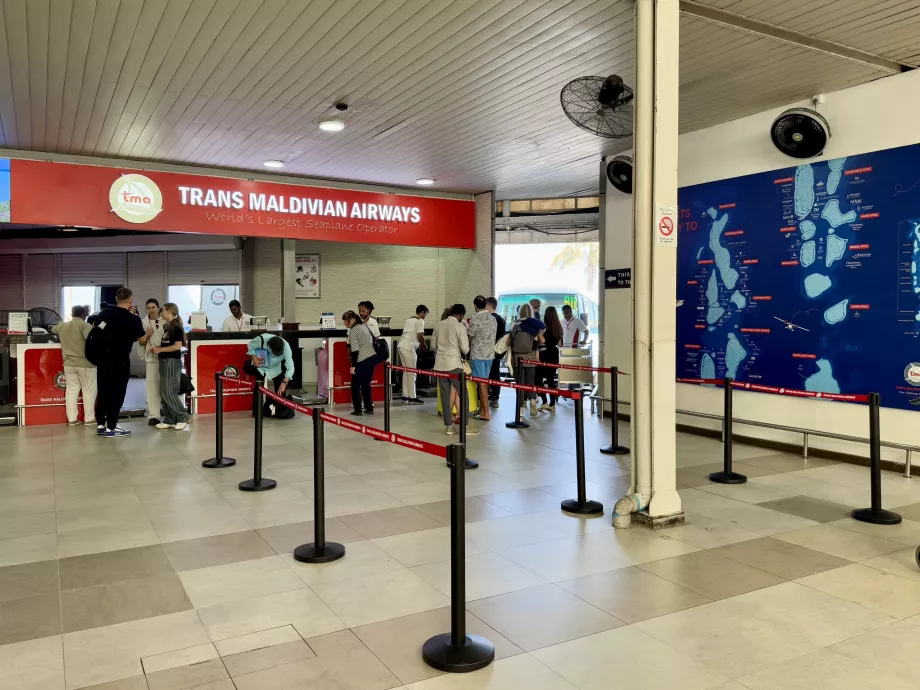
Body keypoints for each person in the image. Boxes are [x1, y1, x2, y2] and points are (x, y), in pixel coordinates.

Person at [95, 288, 153, 438]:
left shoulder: (104, 313)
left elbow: (95, 329)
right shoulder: (133, 319)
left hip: (103, 358)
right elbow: (142, 341)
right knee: (117, 393)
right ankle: (111, 427)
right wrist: (149, 334)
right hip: (120, 359)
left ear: (116, 299)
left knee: (103, 391)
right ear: (131, 300)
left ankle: (101, 424)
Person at [432, 304, 478, 436]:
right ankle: (466, 425)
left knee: (445, 395)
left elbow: (433, 346)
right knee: (463, 393)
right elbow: (465, 349)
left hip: (440, 364)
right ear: (461, 315)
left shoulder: (438, 325)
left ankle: (449, 426)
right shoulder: (459, 326)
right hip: (454, 365)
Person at [52, 306, 96, 426]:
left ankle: (72, 419)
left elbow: (52, 330)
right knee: (88, 391)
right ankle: (89, 419)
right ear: (83, 314)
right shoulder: (85, 325)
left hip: (68, 364)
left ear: (71, 314)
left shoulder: (62, 325)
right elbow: (92, 340)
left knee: (71, 391)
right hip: (85, 364)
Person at [150, 303, 191, 431]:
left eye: (162, 310)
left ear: (169, 311)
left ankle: (182, 416)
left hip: (171, 362)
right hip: (164, 361)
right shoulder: (168, 327)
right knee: (163, 391)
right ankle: (170, 419)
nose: (160, 313)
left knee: (169, 391)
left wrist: (160, 349)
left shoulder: (176, 328)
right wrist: (158, 350)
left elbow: (177, 346)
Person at [247, 333, 295, 417]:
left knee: (281, 388)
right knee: (258, 388)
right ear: (269, 346)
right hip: (260, 366)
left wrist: (284, 383)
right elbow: (250, 346)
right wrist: (254, 358)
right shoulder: (261, 339)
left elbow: (290, 366)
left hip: (275, 368)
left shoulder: (286, 347)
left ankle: (280, 410)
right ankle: (257, 411)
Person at [510, 304, 545, 417]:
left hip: (517, 358)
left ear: (519, 313)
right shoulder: (534, 326)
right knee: (530, 381)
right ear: (531, 313)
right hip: (531, 357)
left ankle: (520, 410)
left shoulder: (514, 325)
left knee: (520, 384)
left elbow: (509, 342)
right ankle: (533, 402)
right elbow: (542, 341)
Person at [467, 295, 497, 421]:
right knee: (484, 382)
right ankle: (481, 410)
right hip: (490, 355)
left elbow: (469, 337)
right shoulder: (492, 318)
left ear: (475, 305)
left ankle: (486, 412)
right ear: (485, 305)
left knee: (482, 384)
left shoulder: (475, 318)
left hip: (477, 355)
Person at [137, 298, 164, 425]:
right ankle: (154, 414)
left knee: (166, 385)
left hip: (165, 356)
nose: (151, 310)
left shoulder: (165, 320)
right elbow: (141, 341)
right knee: (152, 386)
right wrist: (148, 335)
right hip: (151, 357)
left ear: (158, 307)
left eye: (153, 307)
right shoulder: (143, 322)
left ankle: (171, 411)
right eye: (148, 308)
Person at [344, 310, 376, 415]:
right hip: (371, 358)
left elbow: (355, 350)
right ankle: (369, 408)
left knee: (355, 386)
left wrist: (353, 366)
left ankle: (357, 410)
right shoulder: (364, 325)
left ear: (352, 319)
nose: (345, 324)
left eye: (346, 321)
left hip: (361, 360)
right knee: (366, 385)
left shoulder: (353, 331)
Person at [398, 305, 428, 404]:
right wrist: (424, 344)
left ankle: (405, 396)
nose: (425, 317)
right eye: (425, 314)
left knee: (406, 372)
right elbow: (420, 335)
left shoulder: (409, 320)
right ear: (422, 312)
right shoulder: (420, 320)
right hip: (408, 347)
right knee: (412, 372)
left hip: (401, 345)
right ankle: (412, 397)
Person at [536, 306, 563, 413]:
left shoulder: (544, 327)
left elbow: (542, 341)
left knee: (537, 379)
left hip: (544, 354)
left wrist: (538, 334)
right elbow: (560, 344)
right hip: (554, 354)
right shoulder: (558, 327)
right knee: (551, 379)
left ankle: (544, 402)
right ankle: (552, 404)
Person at [485, 297, 506, 409]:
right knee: (495, 374)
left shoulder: (489, 319)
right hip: (498, 351)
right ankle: (494, 397)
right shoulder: (501, 319)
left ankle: (491, 397)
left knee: (488, 374)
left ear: (488, 306)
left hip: (487, 351)